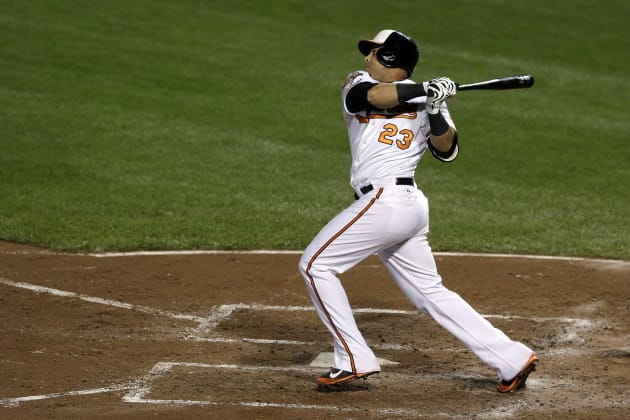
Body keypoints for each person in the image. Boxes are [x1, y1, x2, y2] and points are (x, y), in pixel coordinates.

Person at [298, 29, 538, 392]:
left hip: (393, 201)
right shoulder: (358, 82)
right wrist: (425, 89)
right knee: (429, 292)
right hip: (391, 206)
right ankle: (511, 358)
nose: (366, 58)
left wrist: (437, 108)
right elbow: (375, 97)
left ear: (392, 58)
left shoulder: (428, 100)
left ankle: (353, 358)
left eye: (374, 53)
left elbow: (447, 150)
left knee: (316, 265)